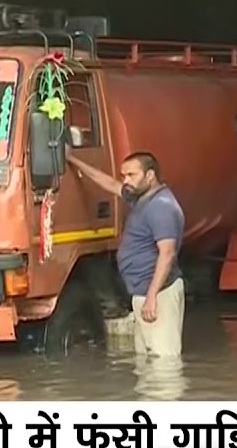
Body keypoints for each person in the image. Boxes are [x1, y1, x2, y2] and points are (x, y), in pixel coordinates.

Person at [67, 151, 186, 358]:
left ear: (150, 175)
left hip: (159, 294)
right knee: (146, 361)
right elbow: (109, 183)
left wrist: (151, 297)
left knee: (164, 361)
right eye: (124, 176)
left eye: (131, 175)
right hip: (143, 292)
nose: (125, 181)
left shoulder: (161, 207)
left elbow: (167, 254)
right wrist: (73, 159)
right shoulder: (141, 198)